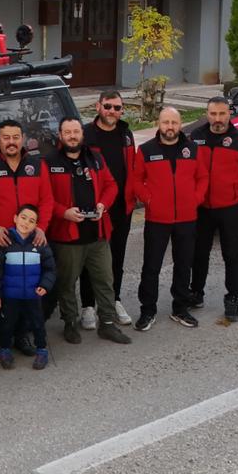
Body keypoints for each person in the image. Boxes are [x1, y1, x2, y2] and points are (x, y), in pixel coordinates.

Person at [44, 117, 131, 345]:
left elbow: (111, 185)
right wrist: (64, 213)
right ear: (60, 135)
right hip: (67, 237)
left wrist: (103, 204)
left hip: (97, 234)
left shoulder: (96, 158)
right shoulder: (49, 162)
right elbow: (44, 199)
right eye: (67, 132)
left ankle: (108, 324)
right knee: (67, 283)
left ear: (82, 134)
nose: (72, 136)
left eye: (76, 131)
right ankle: (70, 323)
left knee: (105, 280)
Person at [0, 119, 54, 350]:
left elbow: (46, 201)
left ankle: (23, 335)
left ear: (22, 139)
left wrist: (42, 227)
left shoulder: (37, 166)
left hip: (31, 241)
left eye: (15, 137)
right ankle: (3, 340)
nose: (11, 142)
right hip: (2, 241)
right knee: (3, 294)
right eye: (6, 137)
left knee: (28, 292)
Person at [129, 106, 208, 331]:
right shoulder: (146, 150)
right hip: (157, 219)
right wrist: (149, 199)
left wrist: (196, 198)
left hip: (187, 218)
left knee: (184, 264)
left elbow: (202, 177)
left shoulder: (192, 149)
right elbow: (136, 179)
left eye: (174, 122)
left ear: (180, 124)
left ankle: (180, 308)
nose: (170, 127)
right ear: (159, 123)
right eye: (166, 122)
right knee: (151, 266)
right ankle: (148, 310)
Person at [188, 97, 238, 322]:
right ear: (207, 113)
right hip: (202, 208)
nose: (217, 119)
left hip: (230, 207)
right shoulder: (195, 137)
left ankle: (232, 297)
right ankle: (196, 292)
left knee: (231, 256)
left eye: (222, 114)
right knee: (199, 254)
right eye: (213, 114)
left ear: (229, 114)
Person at [81, 90, 138, 327]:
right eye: (108, 106)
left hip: (121, 209)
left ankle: (113, 300)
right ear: (98, 106)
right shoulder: (85, 134)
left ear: (122, 110)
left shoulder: (126, 134)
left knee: (117, 257)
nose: (112, 111)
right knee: (90, 260)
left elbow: (132, 168)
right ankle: (88, 306)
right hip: (94, 209)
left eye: (117, 107)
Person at [0, 205, 58, 370]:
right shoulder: (4, 243)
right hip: (10, 295)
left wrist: (44, 285)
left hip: (32, 295)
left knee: (37, 324)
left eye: (32, 221)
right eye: (23, 217)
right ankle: (5, 350)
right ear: (15, 218)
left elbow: (50, 269)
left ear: (36, 225)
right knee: (7, 324)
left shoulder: (39, 243)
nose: (26, 223)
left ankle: (42, 350)